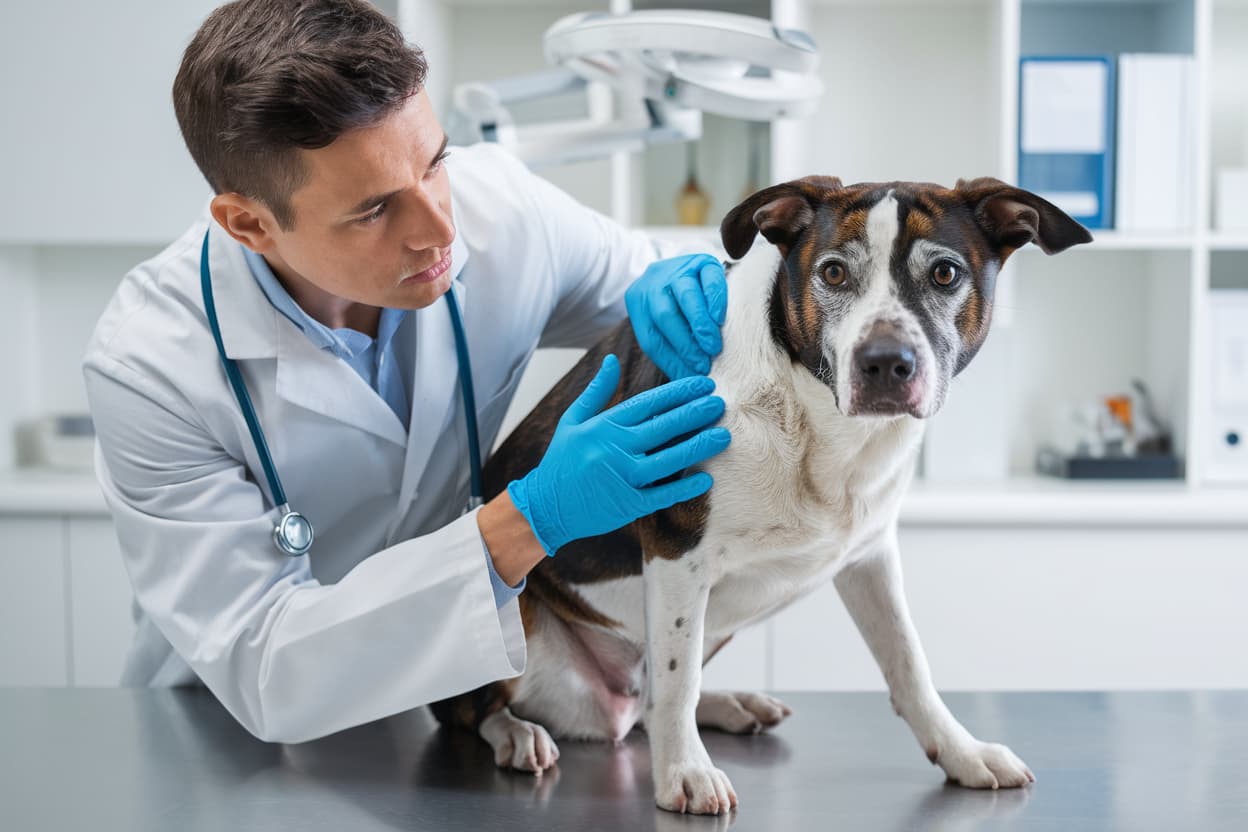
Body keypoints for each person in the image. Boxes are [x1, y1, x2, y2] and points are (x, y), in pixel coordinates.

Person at [82, 0, 731, 743]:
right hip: (222, 729)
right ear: (250, 225)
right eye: (374, 210)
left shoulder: (505, 214)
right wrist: (531, 519)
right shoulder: (151, 365)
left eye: (435, 163)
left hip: (443, 699)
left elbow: (661, 287)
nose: (440, 230)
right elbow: (268, 665)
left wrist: (693, 281)